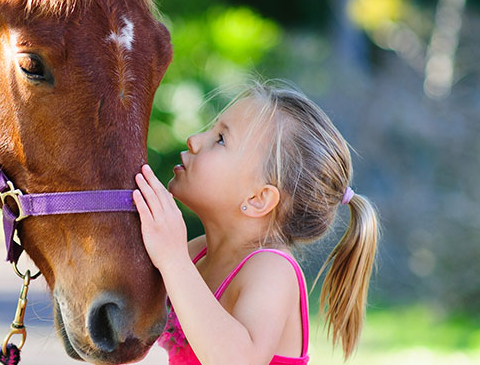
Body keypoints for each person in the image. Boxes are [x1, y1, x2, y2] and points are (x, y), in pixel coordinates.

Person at [132, 80, 378, 364]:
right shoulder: (195, 253)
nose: (195, 139)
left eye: (221, 139)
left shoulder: (272, 269)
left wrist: (173, 259)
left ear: (259, 198)